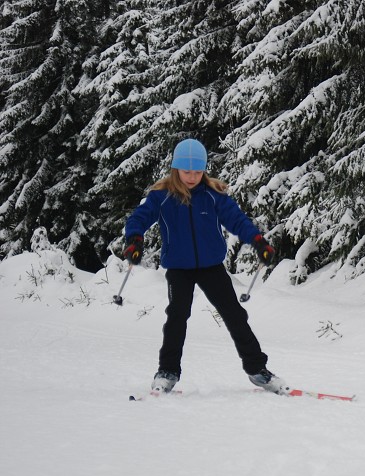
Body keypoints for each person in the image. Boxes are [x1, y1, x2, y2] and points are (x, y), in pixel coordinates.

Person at [123, 138, 289, 395]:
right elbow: (139, 218)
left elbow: (236, 219)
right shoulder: (161, 196)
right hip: (179, 268)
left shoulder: (213, 195)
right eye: (187, 172)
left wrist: (257, 241)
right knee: (177, 317)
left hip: (211, 266)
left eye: (198, 172)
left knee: (235, 314)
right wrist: (134, 239)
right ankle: (167, 371)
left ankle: (257, 370)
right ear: (175, 168)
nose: (192, 177)